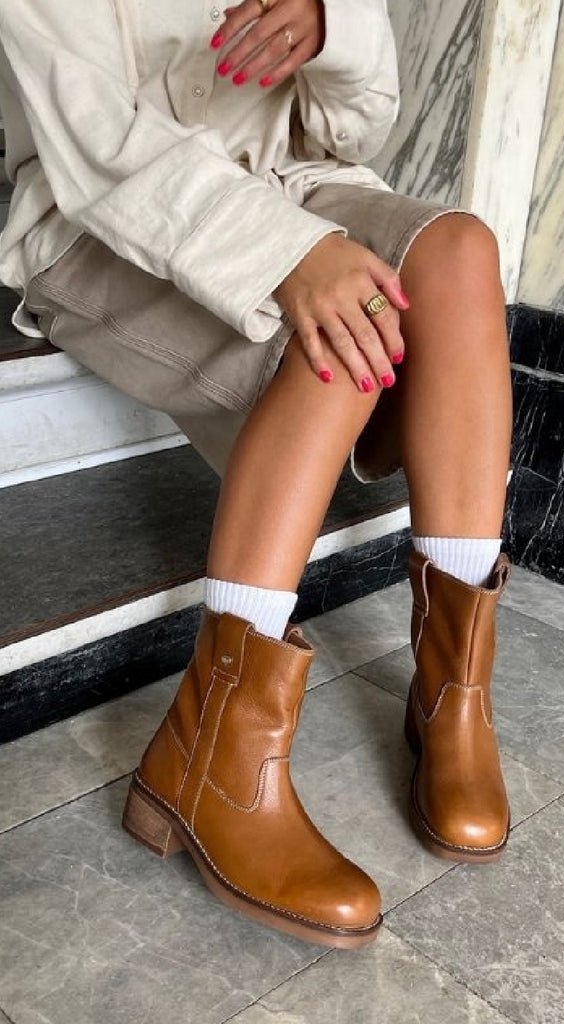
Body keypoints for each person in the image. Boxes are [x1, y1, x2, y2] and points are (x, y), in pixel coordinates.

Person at [0, 0, 513, 948]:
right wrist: (286, 253)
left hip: (290, 180)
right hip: (95, 214)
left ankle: (453, 698)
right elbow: (93, 138)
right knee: (337, 336)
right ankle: (215, 758)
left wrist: (331, 31)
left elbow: (356, 127)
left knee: (459, 250)